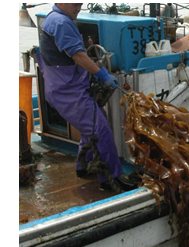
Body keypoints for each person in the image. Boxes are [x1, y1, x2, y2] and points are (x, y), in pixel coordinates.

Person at [36, 3, 136, 191]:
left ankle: (85, 166)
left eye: (80, 4)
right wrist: (103, 74)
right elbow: (78, 55)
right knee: (100, 129)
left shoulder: (55, 18)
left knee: (94, 123)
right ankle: (111, 179)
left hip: (66, 86)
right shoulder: (61, 22)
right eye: (75, 4)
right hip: (67, 90)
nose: (79, 8)